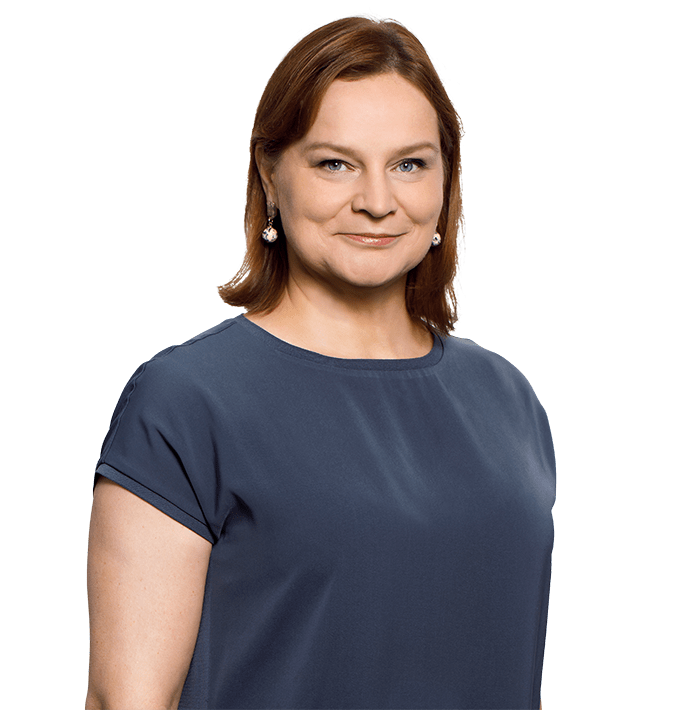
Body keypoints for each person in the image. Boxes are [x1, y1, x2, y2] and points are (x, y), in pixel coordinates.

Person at [85, 12, 555, 710]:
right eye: (335, 163)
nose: (377, 202)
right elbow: (127, 700)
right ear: (271, 178)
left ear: (446, 182)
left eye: (409, 164)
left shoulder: (507, 399)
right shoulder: (187, 402)